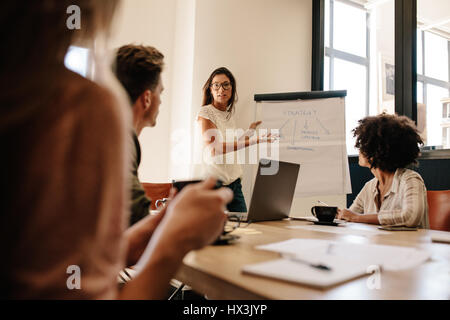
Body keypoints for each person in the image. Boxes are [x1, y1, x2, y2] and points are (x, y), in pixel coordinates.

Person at [0, 0, 231, 299]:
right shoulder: (81, 107)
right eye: (161, 92)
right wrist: (175, 239)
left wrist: (167, 219)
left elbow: (83, 257)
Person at [196, 67, 275, 212]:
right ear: (210, 90)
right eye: (216, 85)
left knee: (243, 230)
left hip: (234, 183)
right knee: (217, 231)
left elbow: (230, 146)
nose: (221, 89)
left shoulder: (228, 115)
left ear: (232, 88)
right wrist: (255, 140)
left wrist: (249, 133)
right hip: (214, 185)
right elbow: (215, 148)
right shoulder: (205, 112)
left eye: (226, 84)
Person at [337, 114, 429, 228]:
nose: (359, 150)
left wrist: (357, 217)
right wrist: (340, 215)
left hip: (409, 245)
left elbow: (410, 217)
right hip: (381, 245)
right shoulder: (369, 187)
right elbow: (350, 216)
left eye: (363, 145)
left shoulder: (410, 180)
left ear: (376, 150)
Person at [113, 44, 165, 225]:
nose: (162, 100)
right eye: (161, 92)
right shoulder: (120, 140)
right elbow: (136, 217)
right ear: (147, 98)